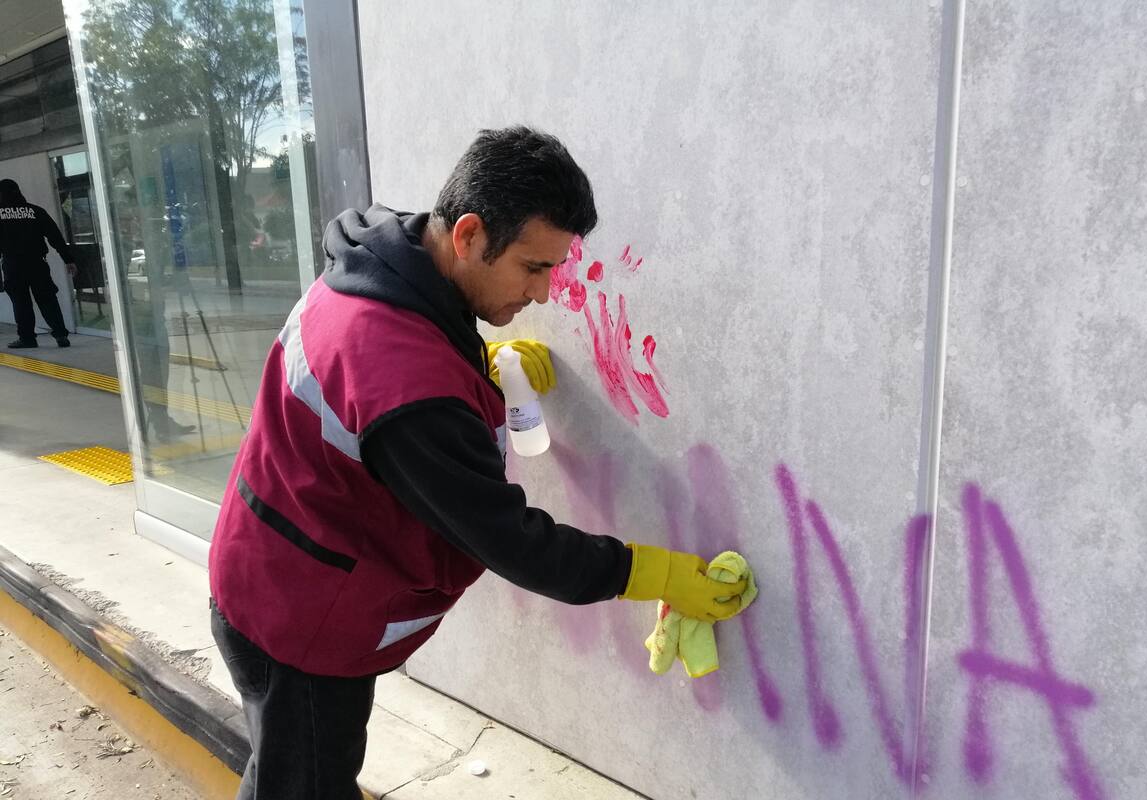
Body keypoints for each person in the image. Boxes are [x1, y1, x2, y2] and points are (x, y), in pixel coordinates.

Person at [207, 126, 747, 799]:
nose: (545, 294)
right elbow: (513, 542)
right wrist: (652, 570)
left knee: (290, 776)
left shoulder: (383, 264)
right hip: (296, 621)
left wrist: (478, 372)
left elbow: (374, 391)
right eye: (532, 267)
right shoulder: (407, 387)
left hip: (271, 566)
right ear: (466, 235)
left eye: (555, 269)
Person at [0, 178, 76, 348]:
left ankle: (27, 338)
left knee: (21, 303)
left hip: (13, 265)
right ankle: (61, 335)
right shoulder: (35, 211)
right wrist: (68, 259)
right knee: (48, 299)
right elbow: (55, 236)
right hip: (37, 263)